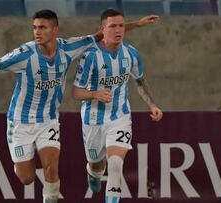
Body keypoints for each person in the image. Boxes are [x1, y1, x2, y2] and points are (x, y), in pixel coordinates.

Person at [0, 9, 159, 203]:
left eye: (43, 28)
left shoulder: (68, 48)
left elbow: (103, 34)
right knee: (26, 178)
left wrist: (138, 24)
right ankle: (24, 161)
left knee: (52, 170)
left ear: (55, 30)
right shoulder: (24, 54)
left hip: (49, 120)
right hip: (21, 121)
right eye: (35, 28)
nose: (37, 32)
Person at [72, 8, 163, 203]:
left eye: (121, 26)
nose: (118, 30)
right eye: (113, 26)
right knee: (97, 164)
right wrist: (95, 94)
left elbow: (140, 81)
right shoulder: (89, 56)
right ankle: (93, 172)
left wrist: (152, 104)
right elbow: (76, 92)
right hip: (93, 118)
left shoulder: (131, 54)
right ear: (102, 29)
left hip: (120, 117)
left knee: (115, 165)